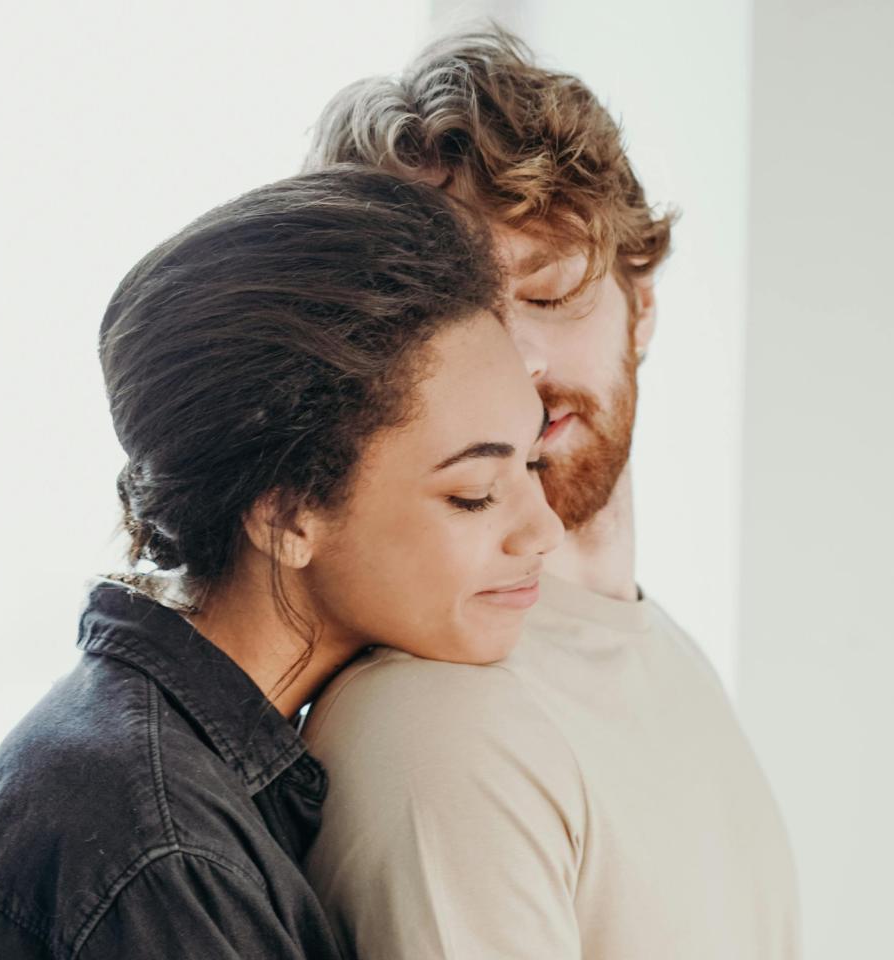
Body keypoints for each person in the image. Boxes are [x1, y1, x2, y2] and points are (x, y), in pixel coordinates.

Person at [0, 166, 563, 959]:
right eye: (477, 493)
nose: (543, 530)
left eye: (532, 463)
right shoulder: (162, 857)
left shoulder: (169, 775)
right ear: (286, 514)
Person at [300, 28, 801, 959]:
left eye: (551, 294)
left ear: (640, 304)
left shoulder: (664, 656)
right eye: (456, 321)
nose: (516, 365)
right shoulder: (442, 723)